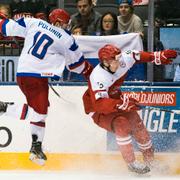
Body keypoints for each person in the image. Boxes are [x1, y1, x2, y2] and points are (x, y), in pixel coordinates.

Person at [0, 9, 93, 166]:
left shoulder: (34, 22)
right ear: (57, 22)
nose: (67, 27)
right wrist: (91, 73)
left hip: (23, 73)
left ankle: (36, 147)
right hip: (36, 77)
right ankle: (5, 108)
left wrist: (2, 18)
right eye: (65, 23)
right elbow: (77, 66)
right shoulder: (66, 38)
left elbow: (5, 27)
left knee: (41, 111)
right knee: (40, 112)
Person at [82, 44, 177, 174]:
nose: (120, 62)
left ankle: (150, 160)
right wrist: (122, 104)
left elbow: (135, 55)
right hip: (98, 109)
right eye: (116, 60)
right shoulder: (97, 77)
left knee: (138, 125)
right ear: (105, 62)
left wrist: (156, 56)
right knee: (121, 123)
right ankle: (131, 163)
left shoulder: (120, 61)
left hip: (116, 100)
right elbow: (100, 104)